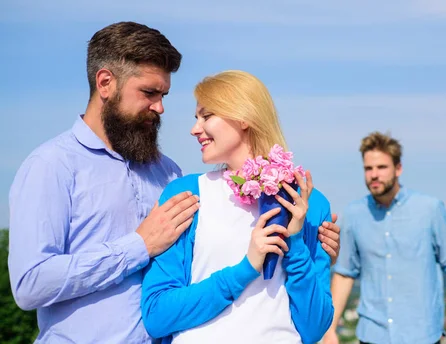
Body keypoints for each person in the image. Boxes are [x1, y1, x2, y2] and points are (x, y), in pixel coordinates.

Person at [8, 22, 340, 344]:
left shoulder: (167, 173)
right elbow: (30, 284)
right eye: (149, 93)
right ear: (105, 83)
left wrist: (307, 242)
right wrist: (138, 245)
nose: (161, 108)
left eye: (164, 94)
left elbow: (311, 320)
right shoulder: (51, 165)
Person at [140, 70, 335, 344]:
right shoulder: (186, 195)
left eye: (206, 116)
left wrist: (295, 241)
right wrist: (246, 268)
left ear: (244, 117)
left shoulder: (310, 203)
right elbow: (158, 315)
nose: (195, 129)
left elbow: (314, 328)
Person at [322, 132, 446, 344]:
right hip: (372, 334)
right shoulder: (353, 214)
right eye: (368, 168)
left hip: (422, 335)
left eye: (382, 167)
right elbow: (344, 273)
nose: (374, 175)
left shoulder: (429, 209)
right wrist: (330, 328)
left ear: (398, 168)